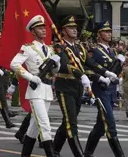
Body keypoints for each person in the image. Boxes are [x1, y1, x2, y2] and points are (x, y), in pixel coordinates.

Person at [10, 15, 59, 157]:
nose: (44, 30)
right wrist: (31, 77)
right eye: (39, 28)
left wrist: (56, 65)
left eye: (44, 27)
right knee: (44, 125)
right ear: (33, 31)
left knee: (33, 129)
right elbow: (14, 64)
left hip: (47, 90)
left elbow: (54, 71)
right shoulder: (28, 48)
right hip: (35, 91)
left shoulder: (50, 49)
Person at [83, 21, 126, 157]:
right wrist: (100, 78)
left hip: (111, 91)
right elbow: (86, 69)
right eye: (106, 31)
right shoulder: (94, 51)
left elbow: (115, 70)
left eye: (109, 31)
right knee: (110, 124)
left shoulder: (112, 52)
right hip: (101, 91)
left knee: (100, 127)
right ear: (99, 34)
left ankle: (88, 152)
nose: (109, 34)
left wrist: (117, 78)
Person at [52, 16, 91, 157]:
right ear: (63, 31)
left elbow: (89, 64)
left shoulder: (79, 48)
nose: (75, 30)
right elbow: (64, 65)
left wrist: (104, 74)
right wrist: (81, 75)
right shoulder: (59, 46)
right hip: (65, 86)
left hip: (77, 87)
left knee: (68, 120)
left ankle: (54, 150)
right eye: (71, 27)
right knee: (71, 123)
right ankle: (78, 154)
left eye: (75, 27)